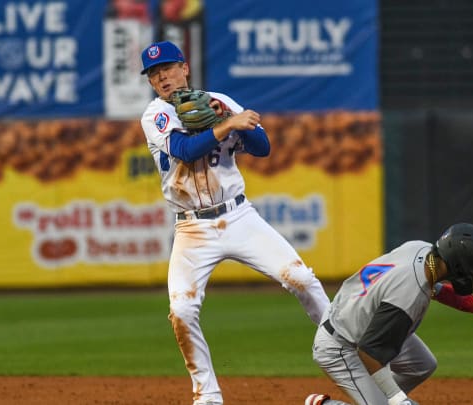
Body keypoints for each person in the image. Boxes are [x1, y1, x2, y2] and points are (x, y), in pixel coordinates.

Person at [138, 40, 331, 405]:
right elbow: (184, 150)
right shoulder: (155, 115)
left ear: (184, 68)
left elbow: (262, 147)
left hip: (239, 216)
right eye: (153, 73)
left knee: (302, 279)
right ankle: (207, 396)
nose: (161, 77)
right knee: (181, 310)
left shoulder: (219, 101)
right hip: (192, 229)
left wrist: (233, 119)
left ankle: (345, 348)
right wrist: (226, 126)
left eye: (167, 68)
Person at [305, 223, 473, 405]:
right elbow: (369, 352)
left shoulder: (422, 250)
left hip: (362, 318)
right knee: (388, 399)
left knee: (422, 364)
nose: (471, 278)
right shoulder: (409, 296)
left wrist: (459, 300)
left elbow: (423, 284)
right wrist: (397, 398)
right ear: (458, 267)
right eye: (472, 272)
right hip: (341, 345)